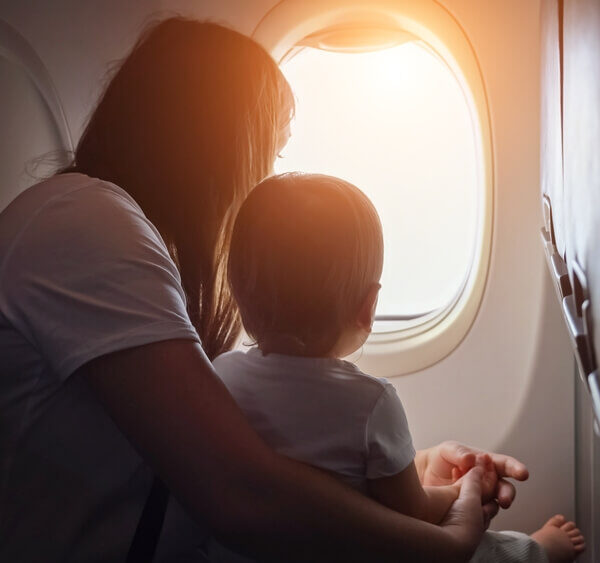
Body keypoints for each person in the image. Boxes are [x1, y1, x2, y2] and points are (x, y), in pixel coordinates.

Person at [0, 16, 525, 562]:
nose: (260, 184)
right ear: (216, 146)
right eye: (266, 156)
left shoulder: (139, 248)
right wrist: (449, 541)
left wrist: (414, 473)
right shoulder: (85, 222)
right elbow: (242, 492)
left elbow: (259, 464)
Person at [212, 172, 586, 563]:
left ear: (238, 292)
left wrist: (426, 464)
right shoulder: (371, 402)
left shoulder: (222, 376)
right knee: (482, 551)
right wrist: (464, 490)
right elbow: (414, 513)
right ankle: (537, 551)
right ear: (368, 306)